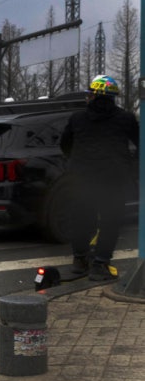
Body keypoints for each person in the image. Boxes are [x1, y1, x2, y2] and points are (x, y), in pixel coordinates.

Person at [61, 74, 139, 281]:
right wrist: (131, 166)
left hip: (82, 178)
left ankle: (79, 262)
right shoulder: (126, 118)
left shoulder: (77, 118)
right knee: (110, 222)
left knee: (81, 220)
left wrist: (76, 161)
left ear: (94, 96)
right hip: (113, 180)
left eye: (90, 94)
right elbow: (140, 144)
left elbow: (65, 144)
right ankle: (101, 264)